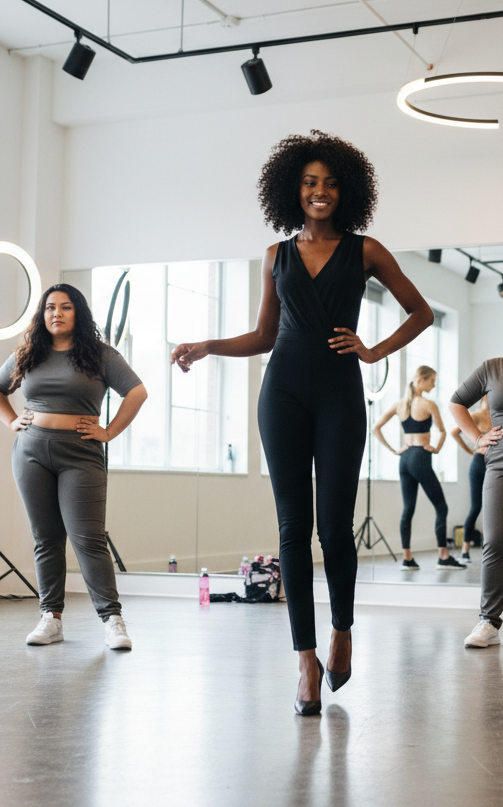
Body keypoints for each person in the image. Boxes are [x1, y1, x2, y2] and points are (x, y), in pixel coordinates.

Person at [170, 131, 433, 715]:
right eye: (311, 183)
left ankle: (342, 632)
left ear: (347, 191)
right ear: (294, 189)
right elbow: (264, 336)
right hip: (282, 391)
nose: (320, 192)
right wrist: (208, 345)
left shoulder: (365, 251)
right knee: (293, 529)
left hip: (340, 391)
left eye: (331, 183)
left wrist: (372, 351)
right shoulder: (276, 255)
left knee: (335, 529)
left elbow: (422, 311)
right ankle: (305, 660)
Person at [0, 284, 147, 650]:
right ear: (42, 315)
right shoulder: (28, 353)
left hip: (81, 454)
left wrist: (108, 431)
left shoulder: (101, 355)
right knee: (46, 537)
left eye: (66, 307)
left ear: (79, 314)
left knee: (88, 538)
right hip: (30, 453)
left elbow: (137, 392)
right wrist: (12, 422)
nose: (56, 313)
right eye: (50, 307)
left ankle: (112, 620)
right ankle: (51, 618)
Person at [373, 365, 464, 571]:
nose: (433, 385)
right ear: (421, 380)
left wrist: (395, 450)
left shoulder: (400, 405)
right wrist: (437, 449)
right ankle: (443, 556)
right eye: (432, 380)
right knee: (441, 507)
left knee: (408, 509)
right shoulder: (429, 404)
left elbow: (375, 427)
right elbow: (442, 431)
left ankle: (407, 558)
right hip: (421, 458)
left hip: (404, 459)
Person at [449, 365, 503, 647]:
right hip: (499, 466)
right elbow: (456, 402)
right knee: (493, 540)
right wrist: (478, 438)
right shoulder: (493, 368)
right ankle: (490, 622)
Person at [451, 395, 490, 562]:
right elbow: (455, 432)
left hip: (494, 464)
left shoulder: (499, 416)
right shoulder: (477, 415)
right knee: (476, 507)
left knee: (494, 507)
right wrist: (470, 450)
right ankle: (465, 551)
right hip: (479, 462)